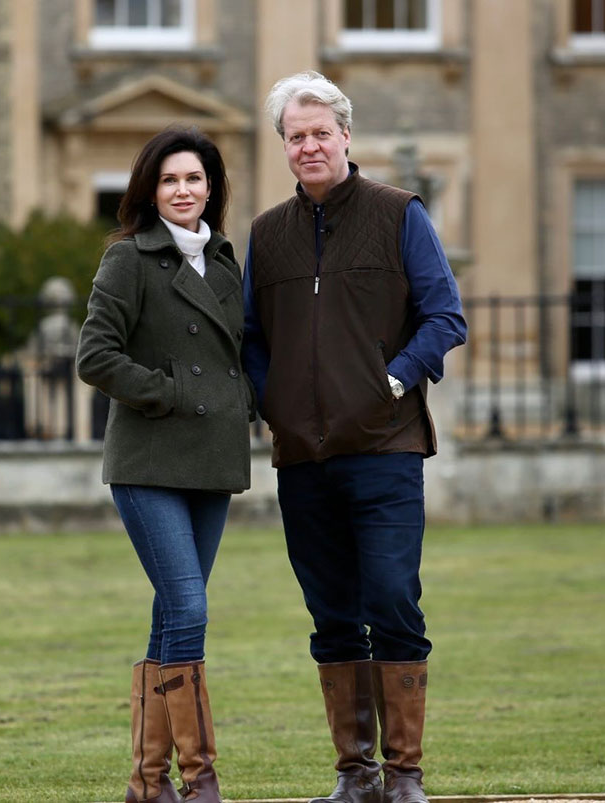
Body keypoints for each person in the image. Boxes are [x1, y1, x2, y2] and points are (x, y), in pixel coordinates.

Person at [242, 72, 467, 803]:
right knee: (332, 615)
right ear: (284, 146)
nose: (308, 146)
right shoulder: (267, 235)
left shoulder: (400, 214)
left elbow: (445, 317)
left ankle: (404, 775)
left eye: (320, 133)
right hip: (303, 459)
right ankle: (355, 775)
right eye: (295, 136)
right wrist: (273, 401)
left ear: (345, 135)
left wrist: (392, 382)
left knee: (393, 600)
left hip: (385, 449)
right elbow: (250, 338)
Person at [77, 127, 255, 803]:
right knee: (188, 605)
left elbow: (239, 354)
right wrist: (174, 392)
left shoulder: (226, 262)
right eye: (169, 180)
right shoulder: (128, 258)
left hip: (212, 460)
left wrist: (244, 400)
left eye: (194, 179)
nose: (183, 190)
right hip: (149, 460)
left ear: (212, 188)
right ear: (150, 192)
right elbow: (96, 356)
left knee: (170, 616)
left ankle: (148, 783)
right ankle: (198, 777)